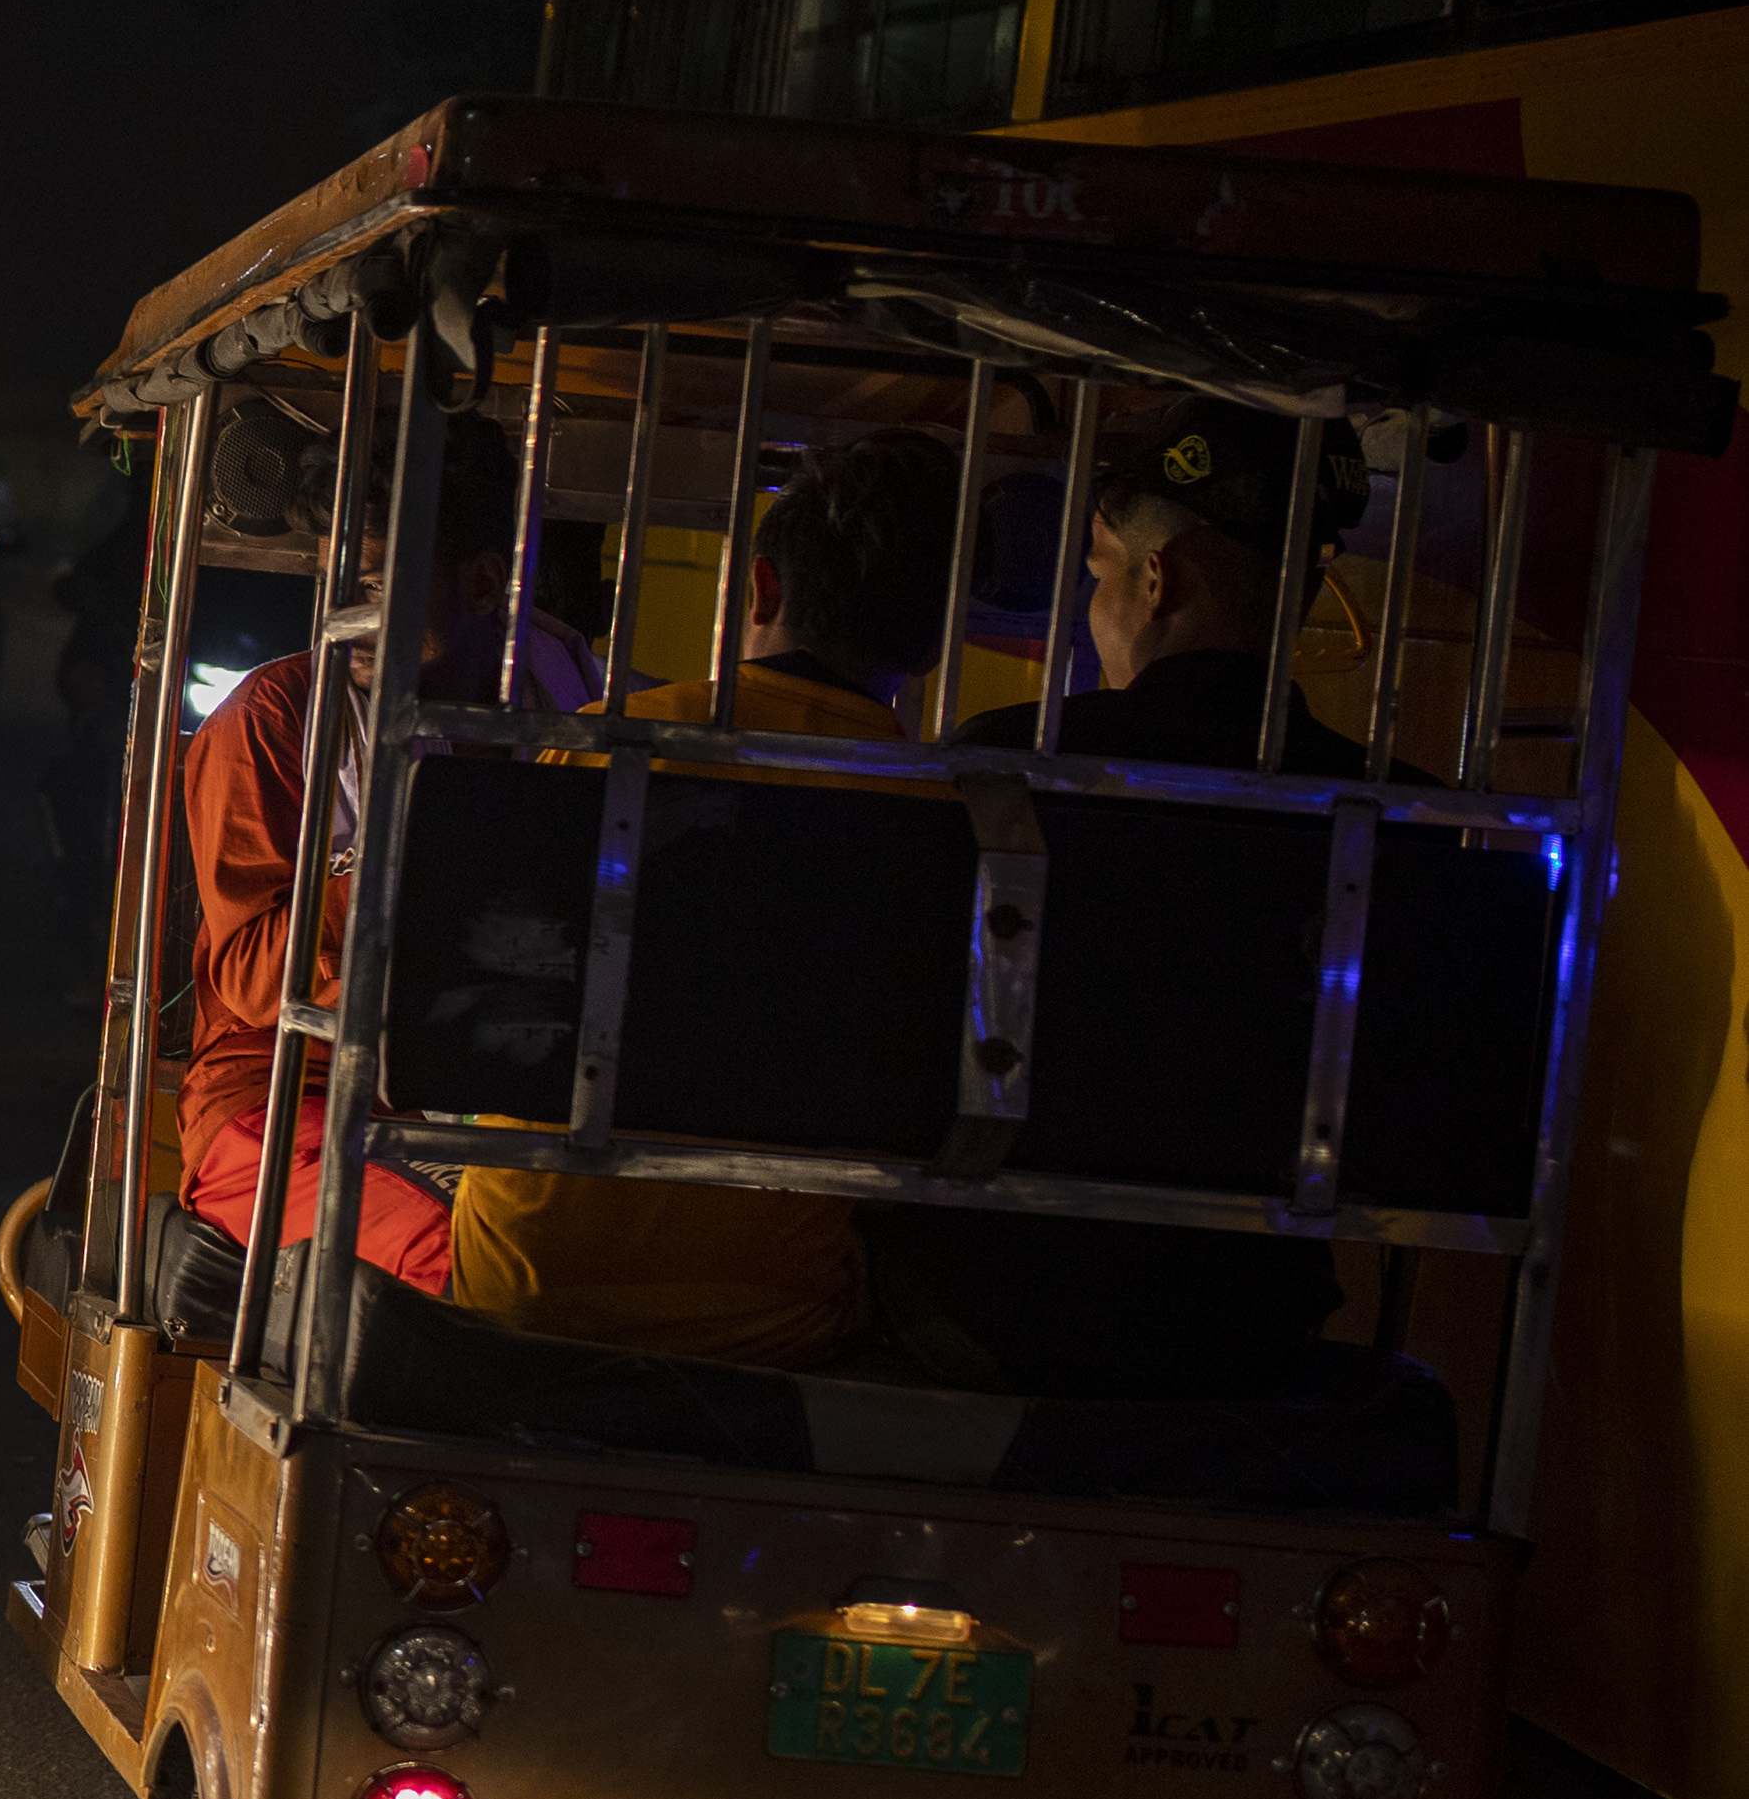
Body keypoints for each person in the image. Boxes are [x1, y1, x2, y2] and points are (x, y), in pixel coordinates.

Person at [869, 397, 1384, 1397]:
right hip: (1252, 1326)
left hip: (990, 1309)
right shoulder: (1398, 809)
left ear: (1160, 576)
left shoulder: (1004, 764)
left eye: (1099, 572)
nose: (1092, 604)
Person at [447, 429, 958, 1369]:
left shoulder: (607, 741)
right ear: (929, 644)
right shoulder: (941, 808)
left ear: (759, 588)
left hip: (524, 1280)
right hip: (770, 1322)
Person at [177, 410, 601, 1293]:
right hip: (290, 1092)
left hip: (503, 1078)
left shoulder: (565, 692)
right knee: (473, 1258)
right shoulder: (272, 720)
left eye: (369, 584)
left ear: (485, 584)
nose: (342, 616)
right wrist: (403, 853)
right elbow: (254, 976)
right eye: (331, 582)